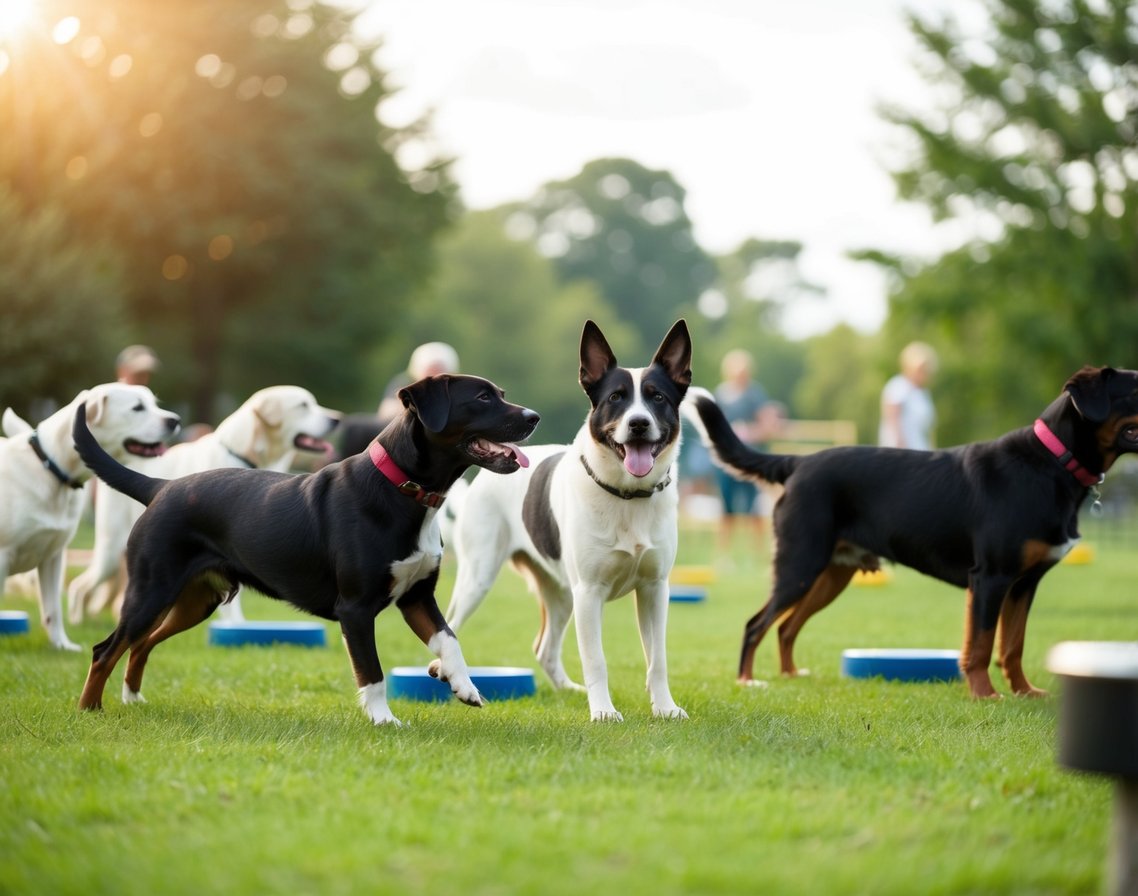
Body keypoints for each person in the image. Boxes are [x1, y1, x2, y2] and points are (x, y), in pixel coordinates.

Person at [713, 349, 778, 553]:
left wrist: (749, 432)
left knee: (753, 508)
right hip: (726, 460)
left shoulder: (755, 394)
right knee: (726, 508)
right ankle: (723, 555)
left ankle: (758, 553)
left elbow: (768, 427)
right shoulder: (721, 394)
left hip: (749, 458)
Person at [878, 341, 938, 450]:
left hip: (921, 452)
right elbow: (892, 422)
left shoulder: (923, 393)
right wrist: (900, 451)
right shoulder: (898, 386)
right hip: (901, 453)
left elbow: (928, 430)